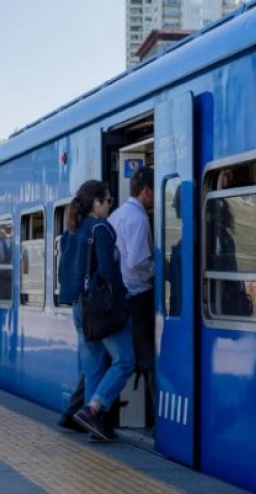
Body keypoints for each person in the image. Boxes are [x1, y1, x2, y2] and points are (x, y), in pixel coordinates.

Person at [58, 180, 136, 442]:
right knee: (125, 360)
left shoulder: (71, 230)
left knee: (93, 369)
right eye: (109, 201)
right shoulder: (100, 228)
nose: (110, 206)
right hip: (100, 309)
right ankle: (93, 410)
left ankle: (95, 428)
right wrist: (123, 301)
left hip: (78, 307)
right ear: (96, 203)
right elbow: (108, 272)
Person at [109, 166, 156, 426]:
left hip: (121, 297)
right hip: (139, 297)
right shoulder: (138, 219)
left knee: (124, 357)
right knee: (148, 359)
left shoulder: (116, 215)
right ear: (147, 191)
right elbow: (139, 261)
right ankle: (158, 417)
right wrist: (159, 268)